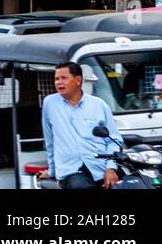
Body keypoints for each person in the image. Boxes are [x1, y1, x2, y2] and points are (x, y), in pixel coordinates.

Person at [40, 61, 123, 189]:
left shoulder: (99, 105)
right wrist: (52, 171)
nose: (58, 82)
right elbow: (50, 140)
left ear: (78, 80)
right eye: (56, 79)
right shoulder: (49, 104)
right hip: (70, 171)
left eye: (63, 78)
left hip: (100, 168)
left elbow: (114, 140)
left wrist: (111, 168)